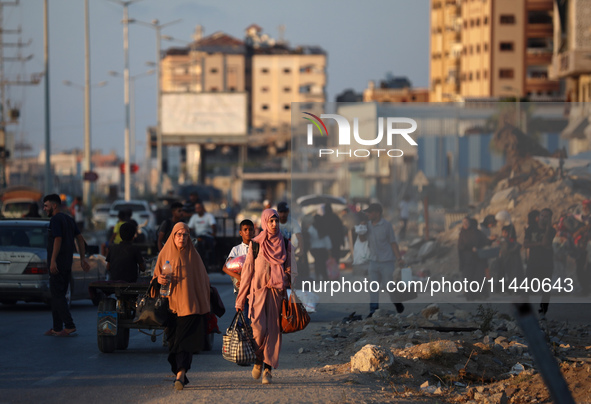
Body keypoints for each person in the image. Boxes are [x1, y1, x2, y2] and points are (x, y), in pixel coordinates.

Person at [235, 209, 296, 385]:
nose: (274, 224)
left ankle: (268, 370)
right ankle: (258, 360)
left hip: (277, 295)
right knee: (258, 331)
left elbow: (292, 269)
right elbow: (247, 274)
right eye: (271, 221)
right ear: (264, 223)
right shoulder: (255, 245)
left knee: (273, 332)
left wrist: (286, 277)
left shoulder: (285, 243)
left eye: (276, 221)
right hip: (258, 294)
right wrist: (240, 300)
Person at [153, 222, 210, 391]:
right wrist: (159, 280)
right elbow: (155, 277)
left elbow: (203, 280)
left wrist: (203, 301)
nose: (182, 238)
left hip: (189, 306)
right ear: (173, 236)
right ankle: (180, 373)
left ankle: (180, 374)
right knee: (173, 342)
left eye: (185, 235)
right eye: (179, 234)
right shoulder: (165, 253)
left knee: (185, 342)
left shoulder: (194, 255)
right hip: (171, 306)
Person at [42, 194, 90, 337]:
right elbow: (80, 239)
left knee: (57, 295)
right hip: (67, 263)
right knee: (58, 295)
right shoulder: (69, 219)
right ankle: (57, 328)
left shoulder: (56, 219)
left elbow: (58, 239)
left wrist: (52, 260)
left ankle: (69, 326)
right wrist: (82, 259)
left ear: (54, 205)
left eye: (46, 206)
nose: (44, 209)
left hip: (57, 264)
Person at [364, 202, 405, 316]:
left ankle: (397, 303)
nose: (368, 214)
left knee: (389, 286)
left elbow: (393, 242)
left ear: (377, 213)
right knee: (373, 287)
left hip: (386, 261)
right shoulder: (367, 226)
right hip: (373, 261)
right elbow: (362, 239)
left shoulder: (386, 225)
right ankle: (373, 310)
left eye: (370, 212)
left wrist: (399, 258)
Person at [524, 208, 556, 317]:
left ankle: (543, 311)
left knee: (546, 288)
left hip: (547, 263)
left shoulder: (551, 230)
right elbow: (526, 244)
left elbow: (546, 242)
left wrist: (547, 228)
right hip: (533, 262)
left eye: (546, 216)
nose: (543, 218)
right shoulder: (530, 229)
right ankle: (525, 310)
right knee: (527, 287)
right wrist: (538, 244)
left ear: (550, 218)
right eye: (542, 215)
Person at [222, 219, 254, 316]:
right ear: (240, 232)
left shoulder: (258, 247)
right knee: (243, 312)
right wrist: (239, 278)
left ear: (254, 231)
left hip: (254, 287)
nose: (248, 232)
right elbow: (225, 267)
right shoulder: (236, 250)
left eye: (250, 229)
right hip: (240, 287)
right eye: (245, 230)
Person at [457, 216, 489, 300]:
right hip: (466, 259)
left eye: (467, 223)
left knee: (477, 277)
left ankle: (478, 295)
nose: (465, 225)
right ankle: (469, 296)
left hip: (477, 259)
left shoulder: (476, 232)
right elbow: (460, 246)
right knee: (468, 278)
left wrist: (490, 241)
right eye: (463, 223)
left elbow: (483, 241)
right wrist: (470, 248)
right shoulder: (462, 233)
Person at [307, 213, 332, 282]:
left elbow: (309, 238)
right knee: (323, 263)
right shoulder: (323, 227)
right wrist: (329, 248)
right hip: (323, 249)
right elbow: (327, 239)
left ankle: (317, 276)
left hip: (314, 248)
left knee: (317, 263)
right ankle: (325, 277)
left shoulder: (311, 228)